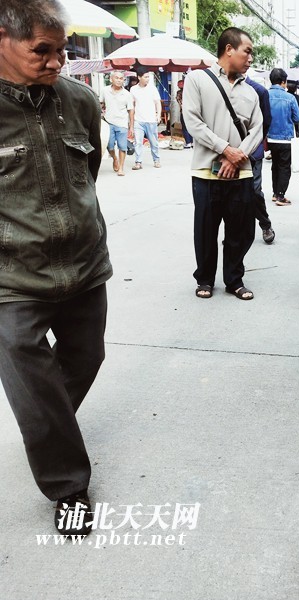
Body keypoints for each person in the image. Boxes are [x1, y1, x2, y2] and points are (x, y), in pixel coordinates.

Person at [0, 0, 113, 536]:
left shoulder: (79, 101)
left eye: (61, 50)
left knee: (85, 359)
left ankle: (46, 428)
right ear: (3, 38)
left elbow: (88, 171)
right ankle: (68, 484)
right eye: (41, 50)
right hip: (13, 278)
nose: (56, 62)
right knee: (31, 375)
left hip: (85, 266)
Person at [182, 27, 263, 301]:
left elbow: (257, 129)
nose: (250, 58)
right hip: (206, 172)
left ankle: (234, 280)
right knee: (205, 229)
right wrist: (225, 149)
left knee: (240, 230)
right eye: (247, 51)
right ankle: (204, 278)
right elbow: (193, 122)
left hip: (240, 173)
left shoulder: (251, 92)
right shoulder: (197, 80)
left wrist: (238, 155)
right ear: (229, 49)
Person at [245, 74, 275, 244]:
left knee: (254, 191)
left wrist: (252, 144)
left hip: (252, 151)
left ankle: (265, 225)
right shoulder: (221, 88)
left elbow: (265, 122)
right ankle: (234, 229)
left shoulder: (259, 91)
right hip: (227, 150)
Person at [267, 68, 299, 206]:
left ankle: (275, 193)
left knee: (275, 165)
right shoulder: (290, 98)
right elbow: (297, 117)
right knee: (284, 167)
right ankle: (281, 196)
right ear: (283, 81)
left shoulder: (265, 95)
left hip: (270, 137)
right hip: (285, 138)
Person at [99, 70, 134, 176]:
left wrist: (131, 126)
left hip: (122, 123)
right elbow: (100, 103)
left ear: (124, 80)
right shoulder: (105, 91)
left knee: (122, 146)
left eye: (121, 78)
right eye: (117, 78)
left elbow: (131, 110)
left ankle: (121, 168)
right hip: (108, 122)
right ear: (111, 79)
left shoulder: (127, 94)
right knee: (109, 146)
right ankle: (115, 158)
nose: (119, 80)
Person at [130, 71, 162, 170]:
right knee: (138, 142)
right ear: (139, 77)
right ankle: (138, 162)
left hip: (151, 120)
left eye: (148, 77)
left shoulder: (152, 89)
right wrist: (131, 122)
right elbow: (132, 105)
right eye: (145, 77)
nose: (147, 79)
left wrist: (158, 115)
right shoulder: (133, 89)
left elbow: (158, 103)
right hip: (138, 120)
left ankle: (156, 160)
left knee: (154, 142)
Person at [175, 78, 193, 148]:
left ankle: (188, 142)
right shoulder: (190, 92)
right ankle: (192, 142)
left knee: (185, 127)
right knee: (191, 127)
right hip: (191, 111)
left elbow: (180, 102)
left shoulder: (179, 93)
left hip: (184, 112)